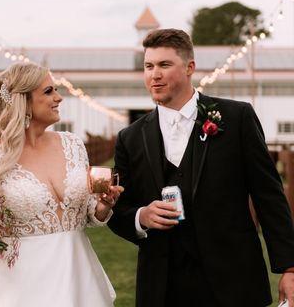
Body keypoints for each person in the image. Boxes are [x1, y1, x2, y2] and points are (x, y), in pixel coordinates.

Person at [108, 28, 294, 307]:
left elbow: (269, 195)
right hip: (162, 285)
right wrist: (141, 216)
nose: (154, 74)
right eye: (148, 66)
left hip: (232, 279)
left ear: (189, 67)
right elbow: (118, 208)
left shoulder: (236, 118)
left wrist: (289, 268)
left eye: (164, 64)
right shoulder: (130, 137)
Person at [0, 62, 122, 307]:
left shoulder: (72, 144)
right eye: (48, 91)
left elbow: (88, 213)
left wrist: (103, 205)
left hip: (78, 275)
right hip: (19, 284)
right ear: (24, 101)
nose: (59, 98)